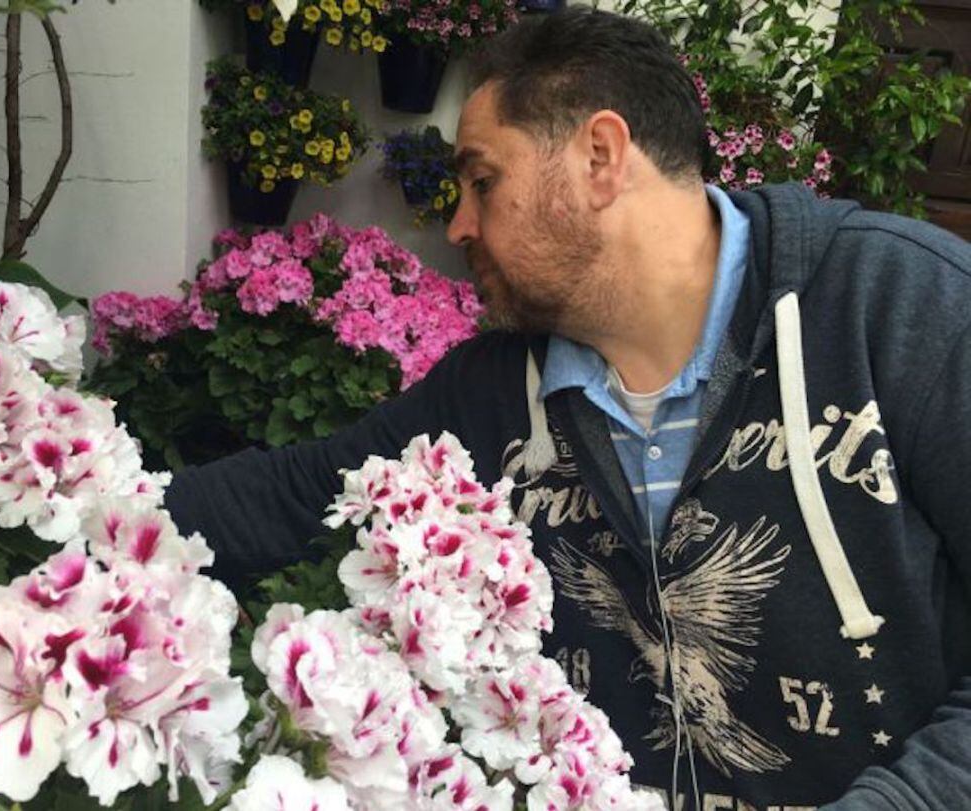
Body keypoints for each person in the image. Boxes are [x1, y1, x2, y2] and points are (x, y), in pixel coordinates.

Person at [164, 7, 971, 809]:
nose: (459, 224)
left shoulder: (903, 311)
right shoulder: (489, 397)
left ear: (600, 156)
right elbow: (294, 498)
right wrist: (84, 507)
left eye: (483, 180)